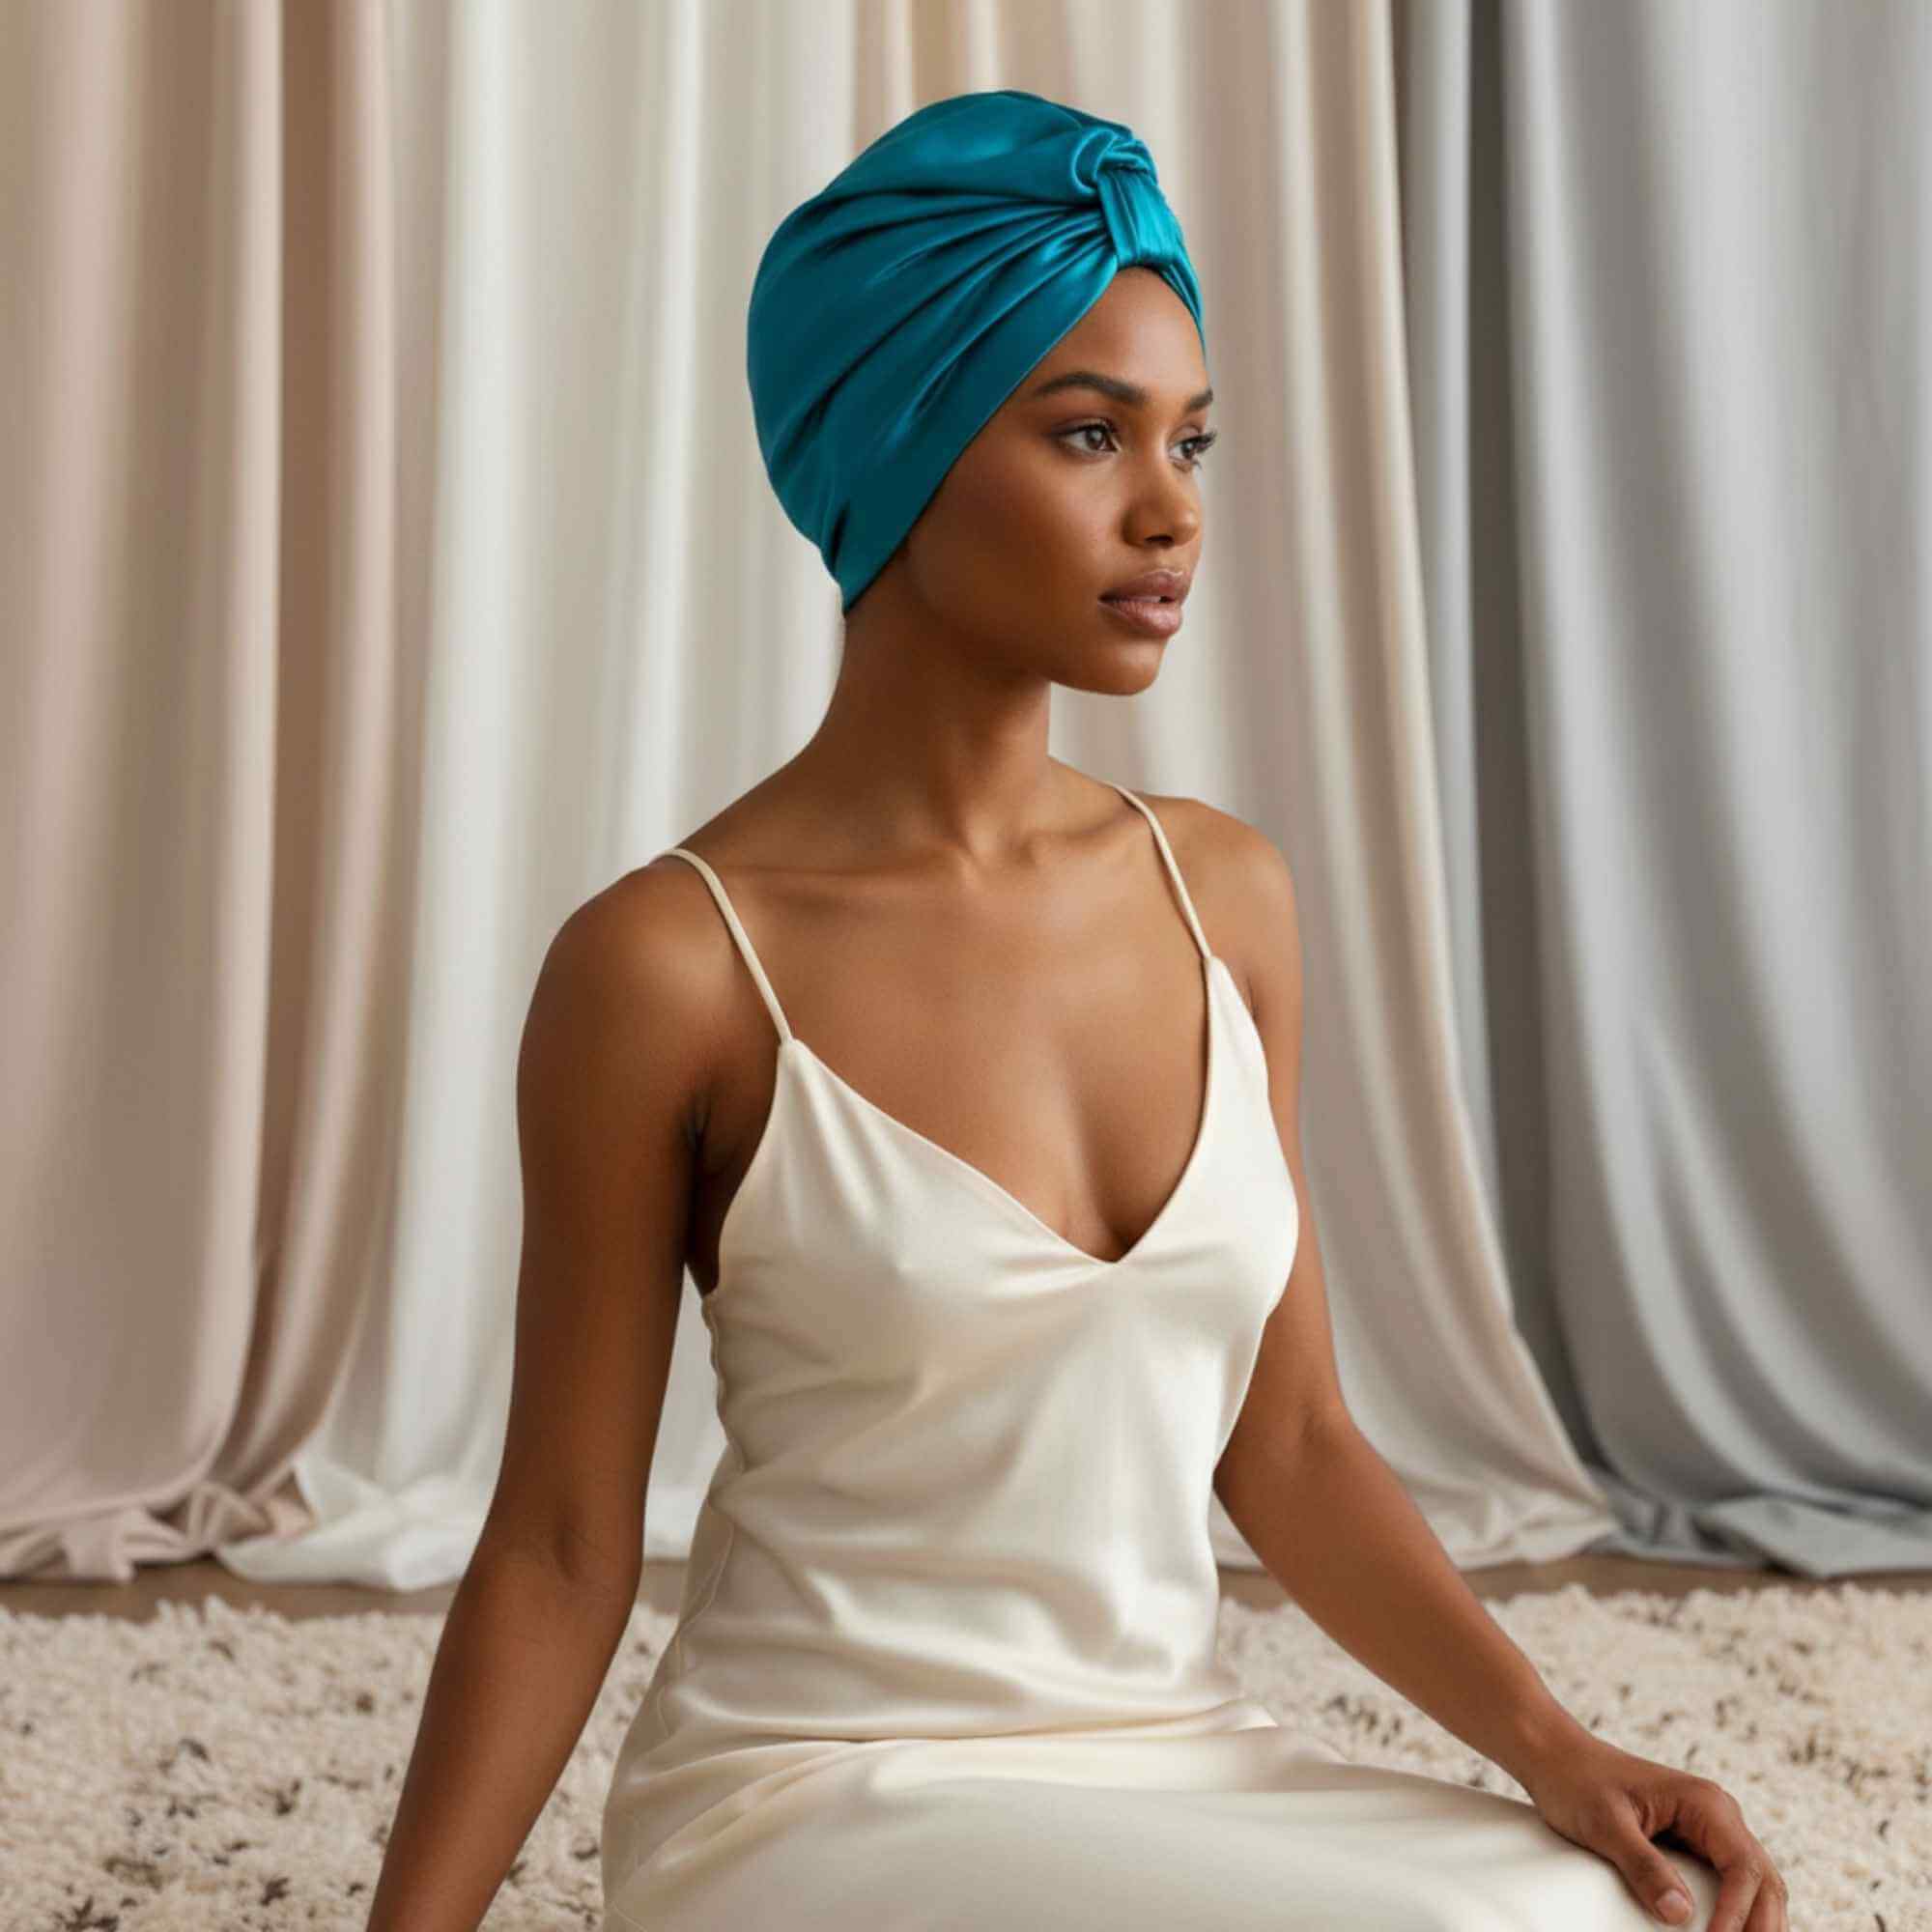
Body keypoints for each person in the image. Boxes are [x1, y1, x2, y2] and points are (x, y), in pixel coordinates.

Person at [365, 88, 1784, 1932]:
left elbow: (1291, 1444)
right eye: (1088, 432)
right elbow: (559, 1548)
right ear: (903, 436)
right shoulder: (670, 967)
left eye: (1192, 438)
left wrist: (1554, 1747)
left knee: (1614, 1910)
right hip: (816, 1800)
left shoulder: (1228, 898)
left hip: (1174, 1756)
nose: (1169, 505)